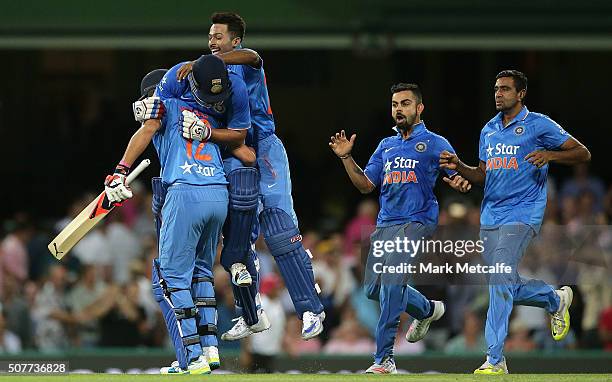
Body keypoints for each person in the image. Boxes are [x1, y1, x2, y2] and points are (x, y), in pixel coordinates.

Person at [175, 12, 325, 340]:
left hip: (265, 146)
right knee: (239, 230)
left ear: (235, 40)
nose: (212, 42)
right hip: (231, 151)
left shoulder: (246, 62)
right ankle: (250, 312)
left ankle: (311, 309)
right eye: (210, 37)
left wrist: (204, 62)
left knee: (278, 229)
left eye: (218, 37)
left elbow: (253, 57)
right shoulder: (205, 75)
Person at [106, 54, 251, 374]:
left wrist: (120, 171)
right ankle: (212, 349)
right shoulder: (205, 112)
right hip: (218, 192)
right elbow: (243, 149)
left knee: (171, 277)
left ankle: (193, 355)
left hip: (185, 192)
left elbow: (148, 130)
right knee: (202, 272)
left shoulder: (162, 104)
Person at [439, 69, 591, 374]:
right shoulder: (488, 130)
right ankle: (555, 298)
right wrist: (459, 168)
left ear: (520, 94)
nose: (498, 93)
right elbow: (482, 175)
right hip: (490, 215)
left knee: (499, 278)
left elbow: (582, 153)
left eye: (506, 89)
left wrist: (550, 155)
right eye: (496, 88)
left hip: (523, 213)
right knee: (501, 281)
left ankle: (495, 359)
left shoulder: (538, 125)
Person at [329, 83, 471, 374]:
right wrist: (346, 157)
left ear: (419, 108)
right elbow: (366, 186)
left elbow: (458, 174)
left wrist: (460, 181)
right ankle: (427, 309)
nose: (398, 109)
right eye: (395, 104)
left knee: (392, 282)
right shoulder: (386, 145)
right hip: (386, 225)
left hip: (417, 221)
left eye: (405, 104)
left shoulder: (435, 143)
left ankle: (384, 359)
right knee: (372, 289)